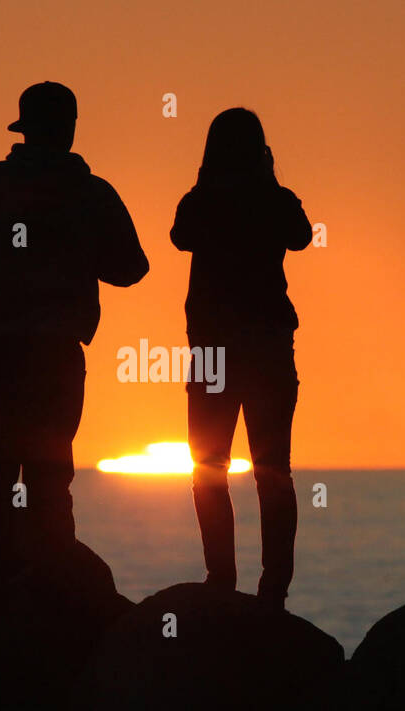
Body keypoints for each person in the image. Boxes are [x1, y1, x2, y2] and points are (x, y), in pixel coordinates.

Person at [0, 81, 148, 566]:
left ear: (24, 130)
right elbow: (131, 268)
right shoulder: (92, 194)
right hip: (55, 355)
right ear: (70, 130)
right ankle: (51, 601)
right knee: (49, 482)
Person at [170, 107, 312, 611]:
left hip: (213, 352)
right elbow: (301, 233)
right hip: (270, 349)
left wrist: (209, 182)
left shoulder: (202, 200)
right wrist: (268, 179)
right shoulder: (274, 199)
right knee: (273, 471)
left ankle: (220, 576)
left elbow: (179, 235)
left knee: (208, 467)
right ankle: (273, 588)